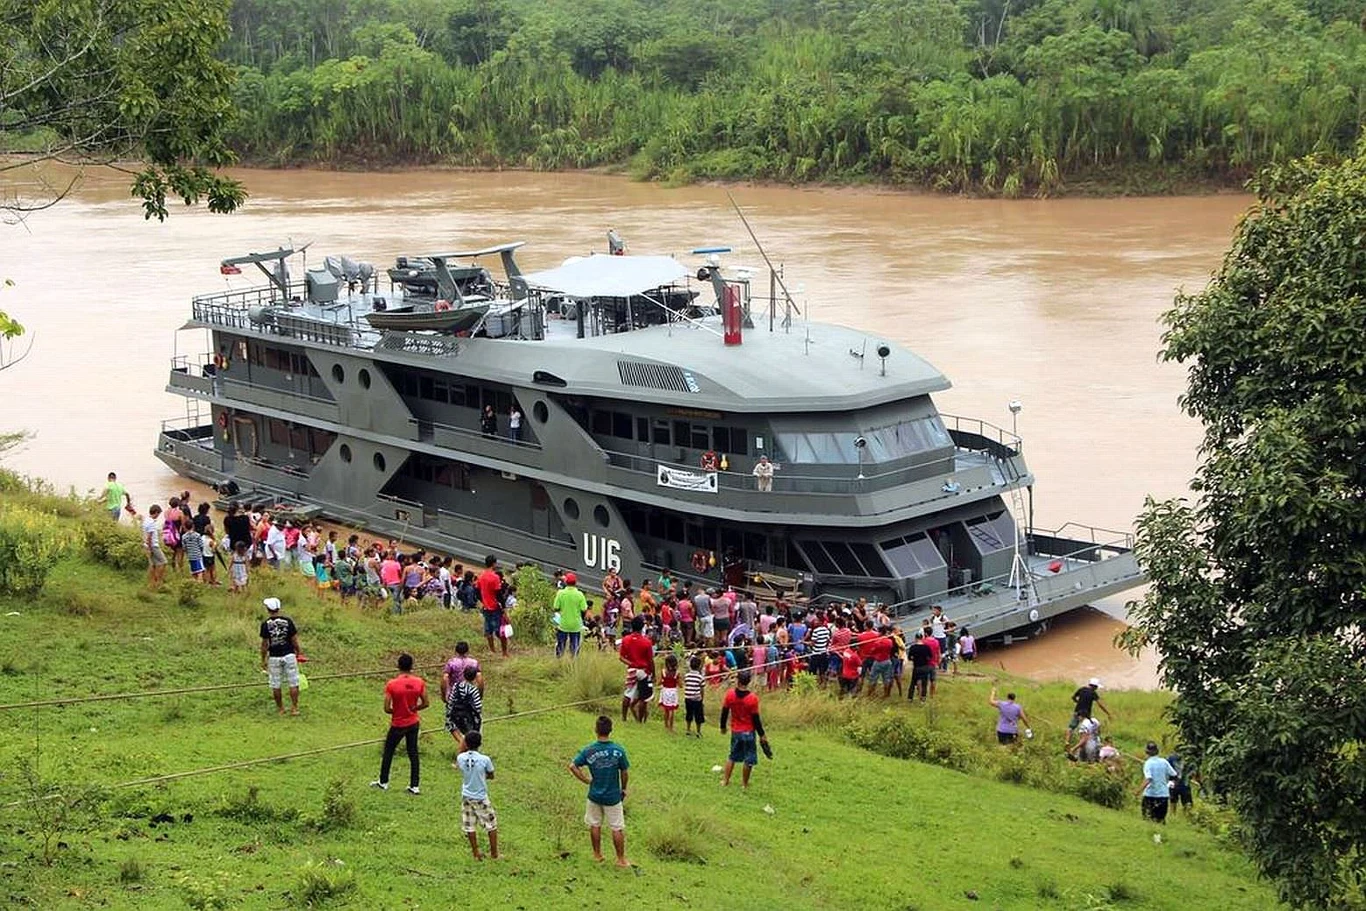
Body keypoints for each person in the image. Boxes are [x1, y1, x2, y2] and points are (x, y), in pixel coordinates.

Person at [569, 715, 630, 867]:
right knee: (617, 827)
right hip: (613, 796)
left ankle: (597, 854)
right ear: (611, 730)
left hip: (594, 794)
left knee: (595, 825)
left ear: (596, 730)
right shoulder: (618, 750)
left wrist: (586, 780)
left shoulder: (589, 750)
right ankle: (620, 859)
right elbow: (624, 771)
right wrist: (623, 788)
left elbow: (572, 766)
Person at [371, 654, 429, 795]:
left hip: (398, 723)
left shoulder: (392, 684)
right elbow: (426, 703)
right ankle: (414, 785)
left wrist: (396, 711)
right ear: (412, 666)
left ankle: (383, 781)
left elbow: (386, 707)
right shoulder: (419, 682)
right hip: (413, 721)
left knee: (389, 751)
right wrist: (414, 709)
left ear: (398, 666)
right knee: (413, 753)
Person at [720, 669, 769, 788]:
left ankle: (725, 781)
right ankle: (744, 784)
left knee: (732, 756)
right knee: (749, 759)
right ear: (749, 682)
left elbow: (724, 712)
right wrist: (762, 734)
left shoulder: (730, 695)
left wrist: (722, 727)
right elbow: (756, 719)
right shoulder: (752, 699)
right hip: (748, 732)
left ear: (737, 680)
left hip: (736, 730)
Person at [456, 730, 498, 860]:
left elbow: (460, 761)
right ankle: (494, 854)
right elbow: (491, 775)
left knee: (469, 824)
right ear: (480, 744)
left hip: (466, 795)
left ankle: (475, 853)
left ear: (466, 743)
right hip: (480, 796)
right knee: (491, 824)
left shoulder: (460, 758)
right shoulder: (485, 759)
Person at [259, 597, 301, 715]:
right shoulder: (288, 621)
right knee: (293, 682)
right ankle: (294, 708)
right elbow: (294, 639)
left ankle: (281, 708)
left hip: (274, 656)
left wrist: (263, 659)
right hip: (289, 654)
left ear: (268, 609)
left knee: (275, 684)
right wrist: (298, 651)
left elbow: (265, 644)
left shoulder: (265, 624)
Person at [617, 617, 656, 723]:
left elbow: (621, 657)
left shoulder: (626, 640)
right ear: (642, 627)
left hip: (632, 670)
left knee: (627, 694)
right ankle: (640, 720)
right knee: (644, 697)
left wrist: (631, 663)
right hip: (644, 671)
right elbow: (650, 661)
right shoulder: (646, 642)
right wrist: (653, 673)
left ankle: (624, 718)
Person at [1138, 742, 1177, 823]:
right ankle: (1159, 835)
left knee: (1148, 820)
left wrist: (1138, 791)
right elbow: (1174, 774)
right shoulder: (1164, 762)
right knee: (1160, 820)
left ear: (1147, 752)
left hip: (1150, 795)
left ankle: (1151, 834)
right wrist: (1169, 784)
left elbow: (1148, 779)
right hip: (1163, 795)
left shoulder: (1148, 763)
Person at [445, 665, 484, 748]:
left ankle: (462, 743)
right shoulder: (474, 690)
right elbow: (478, 707)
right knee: (472, 734)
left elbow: (451, 699)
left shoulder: (457, 685)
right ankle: (466, 746)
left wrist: (449, 711)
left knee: (452, 727)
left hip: (455, 713)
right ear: (474, 678)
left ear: (463, 674)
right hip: (468, 716)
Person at [478, 555, 508, 656]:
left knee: (488, 630)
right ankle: (504, 652)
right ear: (494, 563)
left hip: (486, 607)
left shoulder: (481, 576)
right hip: (495, 607)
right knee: (500, 631)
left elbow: (477, 590)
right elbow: (498, 594)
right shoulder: (495, 577)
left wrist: (483, 600)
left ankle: (492, 650)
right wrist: (504, 608)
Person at [1068, 678, 1113, 746]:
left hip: (1077, 712)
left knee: (1071, 728)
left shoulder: (1082, 689)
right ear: (1095, 687)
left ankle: (1067, 742)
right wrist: (1108, 713)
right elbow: (1100, 704)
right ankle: (1080, 746)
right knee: (1086, 729)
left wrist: (1078, 702)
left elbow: (1073, 697)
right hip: (1085, 714)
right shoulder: (1093, 693)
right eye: (1097, 687)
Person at [553, 572, 588, 658]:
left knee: (561, 644)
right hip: (576, 625)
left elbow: (556, 607)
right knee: (574, 646)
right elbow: (584, 609)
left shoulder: (560, 593)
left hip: (563, 623)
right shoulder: (579, 594)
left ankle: (559, 660)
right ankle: (573, 662)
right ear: (575, 583)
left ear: (566, 582)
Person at [142, 504, 167, 589]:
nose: (158, 516)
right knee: (163, 562)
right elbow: (149, 536)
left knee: (153, 564)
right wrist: (150, 548)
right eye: (158, 514)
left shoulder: (146, 520)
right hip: (153, 546)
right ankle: (158, 580)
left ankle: (152, 582)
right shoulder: (152, 522)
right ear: (155, 512)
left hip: (147, 545)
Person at [907, 631, 934, 702]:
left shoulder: (913, 647)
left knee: (913, 683)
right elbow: (930, 657)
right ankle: (923, 698)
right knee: (924, 683)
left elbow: (909, 658)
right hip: (925, 666)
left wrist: (914, 658)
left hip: (916, 667)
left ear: (915, 638)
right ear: (922, 638)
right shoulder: (926, 647)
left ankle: (910, 698)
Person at [683, 654, 706, 737]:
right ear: (699, 666)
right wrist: (702, 699)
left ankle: (688, 730)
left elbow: (686, 685)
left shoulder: (687, 676)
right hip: (697, 699)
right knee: (698, 716)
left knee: (689, 714)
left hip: (688, 698)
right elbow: (702, 689)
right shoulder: (700, 677)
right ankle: (698, 731)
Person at [658, 653, 680, 733]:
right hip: (673, 691)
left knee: (666, 709)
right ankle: (671, 727)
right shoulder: (677, 673)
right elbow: (680, 684)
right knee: (672, 710)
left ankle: (666, 725)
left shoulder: (663, 671)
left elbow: (660, 682)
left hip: (665, 691)